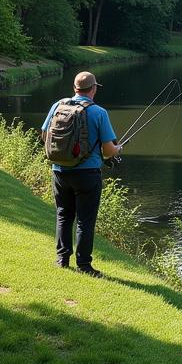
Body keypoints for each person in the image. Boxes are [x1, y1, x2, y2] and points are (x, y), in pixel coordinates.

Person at [40, 71, 122, 277]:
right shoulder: (99, 112)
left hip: (59, 171)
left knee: (63, 215)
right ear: (93, 89)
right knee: (85, 220)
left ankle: (62, 259)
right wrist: (118, 148)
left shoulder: (57, 106)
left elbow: (44, 135)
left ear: (74, 88)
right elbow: (108, 151)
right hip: (87, 174)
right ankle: (84, 265)